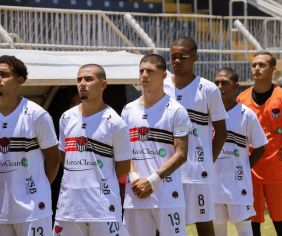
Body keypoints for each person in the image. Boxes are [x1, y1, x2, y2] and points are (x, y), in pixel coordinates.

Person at [53, 64, 131, 236]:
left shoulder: (115, 123)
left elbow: (124, 166)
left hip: (103, 209)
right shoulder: (66, 118)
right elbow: (63, 157)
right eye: (79, 79)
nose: (82, 83)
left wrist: (97, 182)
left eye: (88, 79)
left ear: (103, 84)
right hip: (68, 209)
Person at [164, 36, 227, 236]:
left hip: (197, 170)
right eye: (173, 56)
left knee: (203, 221)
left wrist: (208, 160)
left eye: (182, 57)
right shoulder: (161, 86)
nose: (176, 61)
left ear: (194, 57)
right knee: (167, 221)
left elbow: (222, 131)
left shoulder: (208, 89)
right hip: (165, 167)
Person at [122, 54, 191, 236]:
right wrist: (135, 177)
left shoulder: (177, 111)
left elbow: (181, 154)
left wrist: (151, 181)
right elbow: (123, 150)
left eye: (150, 71)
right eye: (141, 71)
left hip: (167, 195)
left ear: (163, 75)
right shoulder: (128, 110)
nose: (144, 75)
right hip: (135, 193)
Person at [236, 51, 282, 236]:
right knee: (252, 224)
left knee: (281, 224)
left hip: (277, 171)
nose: (256, 68)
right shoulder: (242, 99)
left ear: (273, 70)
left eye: (262, 65)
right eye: (254, 65)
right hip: (251, 171)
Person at [0, 55, 61, 236]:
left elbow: (53, 158)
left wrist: (39, 186)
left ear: (20, 80)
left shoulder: (37, 115)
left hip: (33, 209)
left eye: (3, 75)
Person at [213, 68, 267, 236]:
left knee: (244, 230)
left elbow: (260, 146)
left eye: (225, 83)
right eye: (217, 83)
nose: (220, 86)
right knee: (218, 230)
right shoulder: (208, 113)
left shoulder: (246, 114)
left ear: (235, 86)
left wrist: (245, 166)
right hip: (213, 185)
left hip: (238, 185)